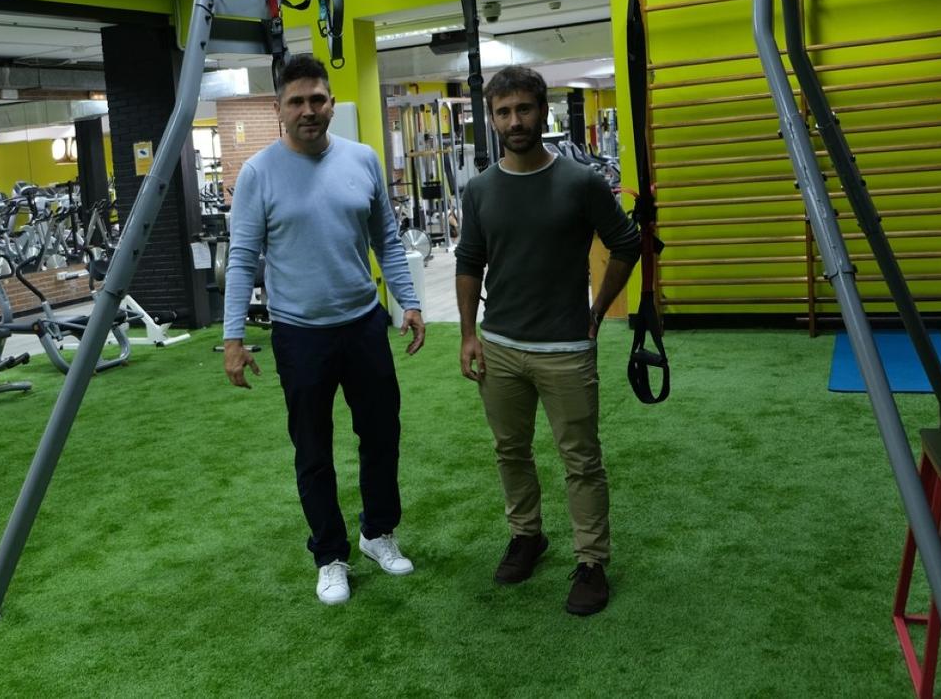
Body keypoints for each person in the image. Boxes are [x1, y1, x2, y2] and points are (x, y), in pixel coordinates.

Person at [223, 54, 426, 607]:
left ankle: (377, 533)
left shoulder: (362, 159)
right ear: (278, 109)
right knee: (313, 449)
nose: (308, 110)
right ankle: (329, 555)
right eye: (297, 102)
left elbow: (386, 237)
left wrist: (409, 301)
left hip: (363, 324)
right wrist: (232, 338)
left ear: (331, 103)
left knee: (382, 435)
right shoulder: (258, 173)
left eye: (318, 99)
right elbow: (242, 258)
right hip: (300, 333)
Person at [455, 65, 640, 617]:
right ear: (492, 119)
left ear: (544, 111)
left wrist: (599, 309)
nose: (515, 121)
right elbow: (469, 262)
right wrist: (468, 334)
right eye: (503, 112)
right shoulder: (481, 189)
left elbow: (626, 244)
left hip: (565, 349)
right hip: (500, 348)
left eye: (524, 109)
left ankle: (591, 561)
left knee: (580, 460)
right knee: (509, 451)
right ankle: (527, 535)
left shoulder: (581, 183)